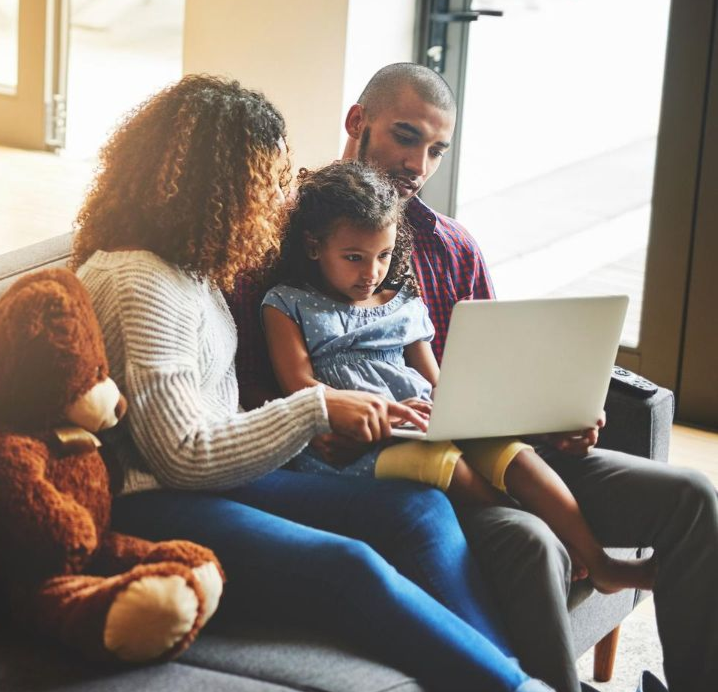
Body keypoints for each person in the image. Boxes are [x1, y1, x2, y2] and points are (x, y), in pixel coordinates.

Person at [71, 73, 620, 692]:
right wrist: (318, 407)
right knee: (347, 561)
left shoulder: (189, 265)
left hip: (213, 483)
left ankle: (514, 690)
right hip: (153, 499)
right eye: (265, 176)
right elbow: (182, 454)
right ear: (214, 183)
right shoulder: (140, 279)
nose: (278, 194)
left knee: (417, 508)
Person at [230, 62, 717, 692]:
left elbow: (487, 377)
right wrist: (319, 418)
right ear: (357, 121)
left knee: (692, 496)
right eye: (404, 137)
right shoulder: (278, 241)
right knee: (530, 539)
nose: (417, 163)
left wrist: (556, 416)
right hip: (394, 466)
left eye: (434, 149)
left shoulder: (450, 246)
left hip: (485, 439)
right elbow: (258, 392)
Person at [261, 159, 657, 596]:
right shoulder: (287, 304)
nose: (370, 272)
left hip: (421, 424)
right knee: (439, 463)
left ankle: (601, 563)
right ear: (314, 246)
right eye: (353, 258)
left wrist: (469, 413)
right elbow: (300, 386)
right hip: (349, 444)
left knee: (513, 454)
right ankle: (547, 536)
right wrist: (384, 411)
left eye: (383, 256)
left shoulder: (403, 303)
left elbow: (436, 382)